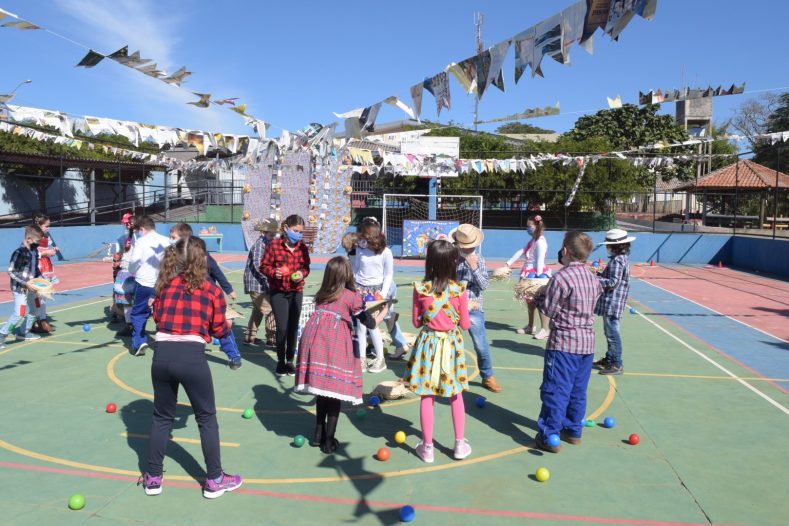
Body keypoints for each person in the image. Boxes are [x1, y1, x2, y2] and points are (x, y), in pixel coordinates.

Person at [140, 236, 242, 498]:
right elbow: (220, 329)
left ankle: (153, 477)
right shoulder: (210, 290)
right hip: (191, 356)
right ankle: (214, 479)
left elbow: (158, 317)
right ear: (201, 259)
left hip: (161, 354)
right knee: (206, 417)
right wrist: (222, 323)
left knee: (162, 418)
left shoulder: (164, 285)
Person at [294, 256, 376, 453]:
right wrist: (381, 311)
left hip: (313, 339)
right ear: (347, 274)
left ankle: (317, 435)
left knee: (323, 391)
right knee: (334, 394)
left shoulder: (322, 294)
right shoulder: (351, 296)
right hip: (333, 342)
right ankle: (329, 441)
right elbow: (368, 321)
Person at [533, 232, 602, 453]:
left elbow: (548, 310)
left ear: (565, 251)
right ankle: (573, 430)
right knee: (578, 390)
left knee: (556, 389)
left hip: (564, 343)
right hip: (587, 343)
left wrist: (537, 296)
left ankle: (549, 434)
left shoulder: (561, 278)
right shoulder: (593, 277)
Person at [404, 240, 472, 463]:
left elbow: (415, 322)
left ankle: (428, 447)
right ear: (454, 262)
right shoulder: (460, 290)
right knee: (456, 394)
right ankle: (460, 445)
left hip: (427, 346)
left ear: (429, 262)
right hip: (451, 347)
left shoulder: (420, 288)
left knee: (427, 393)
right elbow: (465, 325)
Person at [169, 223, 241, 369]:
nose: (170, 239)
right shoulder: (173, 256)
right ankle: (187, 352)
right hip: (187, 297)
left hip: (206, 298)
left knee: (221, 326)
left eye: (173, 237)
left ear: (185, 240)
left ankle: (234, 356)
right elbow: (164, 277)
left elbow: (216, 272)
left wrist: (229, 289)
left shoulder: (203, 255)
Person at [452, 224, 501, 393]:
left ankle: (487, 376)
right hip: (452, 306)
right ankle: (454, 376)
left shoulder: (478, 259)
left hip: (473, 307)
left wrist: (473, 267)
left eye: (471, 245)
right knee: (450, 343)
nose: (469, 249)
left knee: (480, 345)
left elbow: (484, 284)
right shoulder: (451, 257)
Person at [260, 215, 311, 376]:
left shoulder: (302, 247)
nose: (299, 235)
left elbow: (306, 267)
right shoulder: (274, 245)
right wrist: (273, 272)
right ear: (286, 228)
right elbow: (263, 266)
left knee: (292, 327)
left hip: (296, 291)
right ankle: (280, 360)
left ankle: (290, 360)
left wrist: (302, 274)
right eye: (296, 231)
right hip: (278, 292)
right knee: (281, 328)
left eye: (301, 232)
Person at [350, 219, 394, 373]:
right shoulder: (359, 248)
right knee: (361, 328)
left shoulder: (385, 252)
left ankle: (380, 359)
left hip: (376, 292)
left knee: (373, 325)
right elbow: (356, 268)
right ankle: (361, 359)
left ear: (370, 235)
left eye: (362, 236)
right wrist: (354, 286)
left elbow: (388, 275)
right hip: (360, 290)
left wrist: (382, 293)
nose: (360, 239)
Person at [593, 228, 635, 376]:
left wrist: (595, 279)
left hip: (613, 303)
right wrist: (598, 274)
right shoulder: (620, 259)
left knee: (612, 333)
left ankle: (617, 364)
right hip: (612, 303)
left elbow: (613, 282)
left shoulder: (617, 261)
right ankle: (610, 359)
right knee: (609, 331)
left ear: (614, 246)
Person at [128, 216, 170, 357]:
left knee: (139, 313)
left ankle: (139, 342)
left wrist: (131, 270)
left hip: (144, 282)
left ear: (142, 229)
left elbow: (134, 260)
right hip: (163, 283)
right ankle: (165, 342)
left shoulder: (141, 241)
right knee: (163, 313)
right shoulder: (166, 240)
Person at [507, 215, 551, 340]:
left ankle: (545, 329)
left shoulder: (540, 242)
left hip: (537, 275)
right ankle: (531, 326)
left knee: (540, 302)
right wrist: (508, 263)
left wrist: (537, 277)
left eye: (529, 226)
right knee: (530, 301)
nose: (527, 229)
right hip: (529, 273)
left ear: (537, 226)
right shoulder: (533, 241)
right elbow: (521, 251)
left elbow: (539, 261)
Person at [0, 225, 45, 348]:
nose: (38, 244)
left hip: (33, 288)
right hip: (21, 288)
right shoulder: (19, 252)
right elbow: (11, 271)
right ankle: (2, 335)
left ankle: (22, 332)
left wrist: (43, 281)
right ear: (29, 239)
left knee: (36, 309)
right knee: (19, 313)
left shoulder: (35, 251)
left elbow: (35, 269)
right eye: (37, 241)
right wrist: (26, 283)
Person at [243, 218, 278, 346]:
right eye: (270, 235)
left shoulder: (269, 244)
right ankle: (272, 339)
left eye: (274, 235)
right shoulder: (259, 245)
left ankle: (249, 337)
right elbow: (258, 265)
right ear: (263, 232)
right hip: (256, 284)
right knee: (271, 310)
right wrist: (270, 276)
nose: (273, 237)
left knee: (258, 310)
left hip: (262, 285)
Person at [31, 213, 58, 334]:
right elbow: (31, 254)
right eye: (46, 226)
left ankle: (42, 320)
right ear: (39, 225)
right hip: (37, 266)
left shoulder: (45, 236)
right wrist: (46, 253)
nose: (48, 228)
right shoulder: (32, 237)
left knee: (44, 295)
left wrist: (53, 250)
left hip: (46, 265)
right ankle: (36, 322)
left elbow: (48, 246)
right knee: (38, 296)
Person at [113, 217, 137, 337]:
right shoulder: (123, 239)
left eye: (129, 223)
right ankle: (130, 325)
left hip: (136, 273)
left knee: (130, 301)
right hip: (129, 272)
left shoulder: (141, 239)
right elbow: (119, 254)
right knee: (128, 302)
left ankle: (132, 324)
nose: (127, 225)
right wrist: (118, 258)